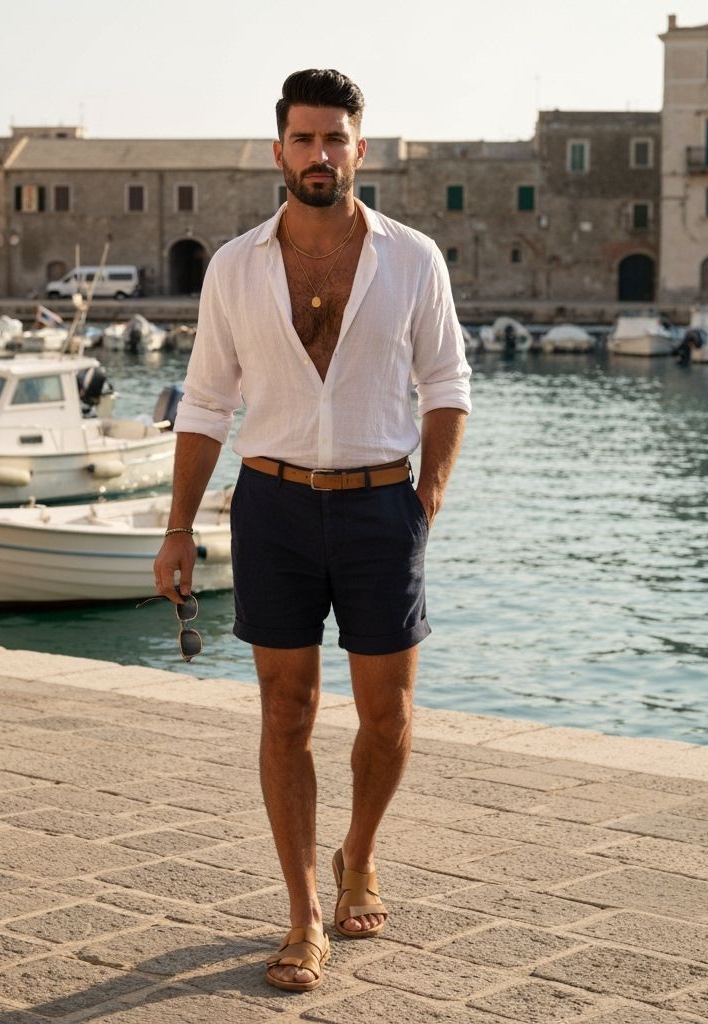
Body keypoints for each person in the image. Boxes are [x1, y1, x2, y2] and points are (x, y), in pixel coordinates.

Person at [152, 68, 471, 992]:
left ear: (359, 149)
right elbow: (207, 404)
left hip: (382, 507)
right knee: (286, 711)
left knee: (387, 714)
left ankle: (358, 855)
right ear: (279, 149)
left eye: (336, 138)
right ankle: (300, 917)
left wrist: (426, 504)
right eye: (303, 139)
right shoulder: (234, 267)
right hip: (274, 504)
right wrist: (178, 526)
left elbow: (447, 388)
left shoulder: (414, 259)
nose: (320, 154)